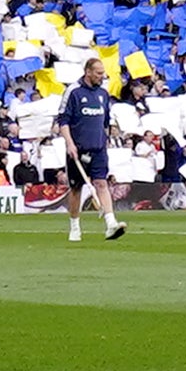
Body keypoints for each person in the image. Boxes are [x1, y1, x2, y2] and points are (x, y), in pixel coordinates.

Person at [59, 63, 126, 244]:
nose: (101, 76)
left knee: (101, 183)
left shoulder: (103, 94)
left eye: (103, 73)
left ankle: (110, 223)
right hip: (78, 149)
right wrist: (70, 144)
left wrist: (106, 140)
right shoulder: (73, 91)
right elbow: (63, 120)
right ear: (88, 72)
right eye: (98, 73)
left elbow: (105, 122)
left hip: (98, 148)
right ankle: (75, 227)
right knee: (76, 188)